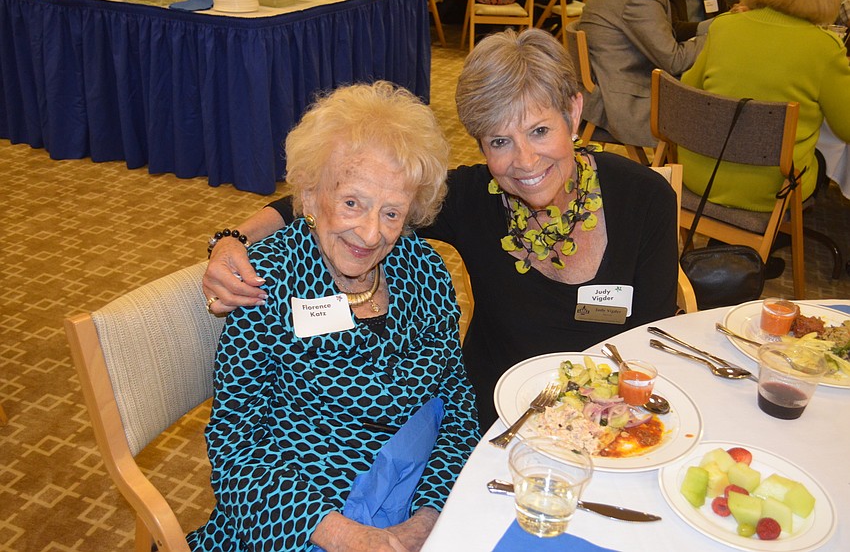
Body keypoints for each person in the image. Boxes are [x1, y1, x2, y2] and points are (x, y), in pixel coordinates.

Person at [204, 29, 679, 431]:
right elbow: (339, 192)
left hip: (607, 419)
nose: (525, 161)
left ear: (573, 114)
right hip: (496, 421)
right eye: (500, 141)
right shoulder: (474, 199)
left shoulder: (644, 199)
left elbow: (651, 343)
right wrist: (233, 238)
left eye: (539, 130)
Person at [188, 81, 479, 552]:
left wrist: (425, 521)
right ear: (309, 195)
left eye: (391, 213)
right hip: (297, 521)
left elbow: (455, 404)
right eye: (351, 203)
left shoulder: (424, 271)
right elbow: (237, 448)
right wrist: (356, 540)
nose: (369, 233)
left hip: (417, 503)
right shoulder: (267, 284)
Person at [679, 0, 850, 212]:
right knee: (822, 159)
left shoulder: (724, 26)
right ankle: (782, 235)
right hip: (772, 190)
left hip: (700, 173)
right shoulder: (825, 47)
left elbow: (687, 90)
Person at [576, 0, 707, 147]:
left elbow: (667, 35)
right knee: (708, 109)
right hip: (623, 102)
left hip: (606, 89)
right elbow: (675, 61)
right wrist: (719, 34)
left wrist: (721, 23)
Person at [669, 0, 733, 41]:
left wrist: (733, 14)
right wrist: (714, 23)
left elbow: (724, 14)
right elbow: (675, 30)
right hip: (684, 49)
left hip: (713, 45)